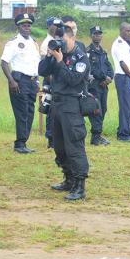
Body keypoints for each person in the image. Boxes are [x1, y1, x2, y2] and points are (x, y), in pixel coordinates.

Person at [39, 22, 92, 200]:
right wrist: (49, 56)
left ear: (72, 38)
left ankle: (79, 186)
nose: (60, 43)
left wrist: (60, 62)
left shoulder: (81, 57)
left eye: (63, 40)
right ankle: (68, 179)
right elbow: (42, 71)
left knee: (74, 146)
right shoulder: (57, 54)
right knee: (59, 146)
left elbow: (73, 79)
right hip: (56, 105)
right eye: (58, 39)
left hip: (71, 106)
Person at [1, 14, 42, 153]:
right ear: (18, 27)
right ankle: (19, 144)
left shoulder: (34, 42)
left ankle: (24, 142)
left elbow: (36, 64)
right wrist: (11, 81)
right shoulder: (13, 42)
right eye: (24, 26)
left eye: (29, 25)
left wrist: (37, 81)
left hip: (32, 81)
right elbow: (4, 63)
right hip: (19, 81)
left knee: (30, 112)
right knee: (22, 112)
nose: (27, 28)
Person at [110, 22, 130, 142]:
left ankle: (127, 131)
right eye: (127, 31)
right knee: (125, 107)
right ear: (121, 30)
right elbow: (123, 64)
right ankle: (123, 134)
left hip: (128, 77)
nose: (129, 33)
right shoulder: (119, 44)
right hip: (123, 77)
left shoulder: (125, 44)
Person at [85, 26, 115, 145]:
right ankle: (96, 136)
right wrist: (103, 77)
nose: (97, 36)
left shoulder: (103, 52)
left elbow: (109, 67)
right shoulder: (88, 51)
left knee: (104, 109)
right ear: (91, 36)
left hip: (104, 85)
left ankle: (98, 135)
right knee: (96, 110)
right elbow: (90, 68)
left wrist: (109, 78)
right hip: (94, 85)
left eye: (99, 34)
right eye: (95, 34)